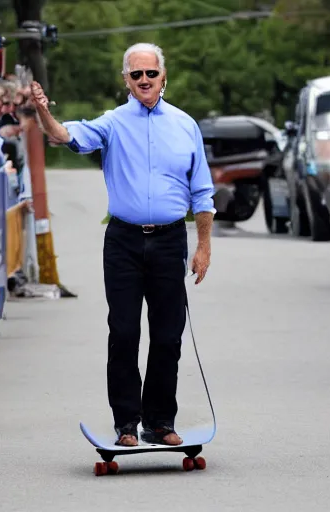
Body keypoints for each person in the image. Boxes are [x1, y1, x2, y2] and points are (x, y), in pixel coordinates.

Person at [31, 42, 215, 446]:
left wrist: (204, 246)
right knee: (124, 332)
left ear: (163, 76)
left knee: (168, 335)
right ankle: (127, 424)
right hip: (125, 242)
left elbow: (202, 192)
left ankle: (160, 422)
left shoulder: (185, 125)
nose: (145, 80)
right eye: (137, 75)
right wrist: (43, 111)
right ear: (126, 81)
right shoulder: (113, 123)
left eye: (151, 73)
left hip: (169, 241)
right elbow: (64, 135)